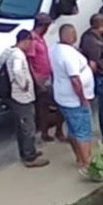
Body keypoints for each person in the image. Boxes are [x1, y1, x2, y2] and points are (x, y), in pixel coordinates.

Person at [0, 30, 49, 168]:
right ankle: (30, 157)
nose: (31, 45)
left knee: (21, 126)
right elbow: (18, 71)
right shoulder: (18, 56)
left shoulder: (10, 51)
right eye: (30, 42)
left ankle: (26, 152)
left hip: (14, 96)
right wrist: (23, 84)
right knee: (28, 127)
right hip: (21, 97)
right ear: (25, 41)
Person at [49, 24, 96, 177]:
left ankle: (79, 158)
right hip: (74, 100)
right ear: (70, 35)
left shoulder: (55, 49)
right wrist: (82, 98)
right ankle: (87, 164)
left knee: (73, 129)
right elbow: (75, 80)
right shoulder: (68, 55)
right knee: (83, 133)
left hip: (63, 97)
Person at [79, 14, 103, 145]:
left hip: (102, 76)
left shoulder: (88, 36)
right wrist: (102, 72)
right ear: (102, 25)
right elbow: (93, 63)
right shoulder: (94, 42)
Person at [26, 13, 65, 142]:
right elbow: (30, 61)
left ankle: (47, 132)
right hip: (41, 79)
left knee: (46, 107)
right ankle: (52, 132)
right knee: (51, 106)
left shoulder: (40, 38)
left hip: (47, 76)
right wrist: (37, 81)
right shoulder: (32, 40)